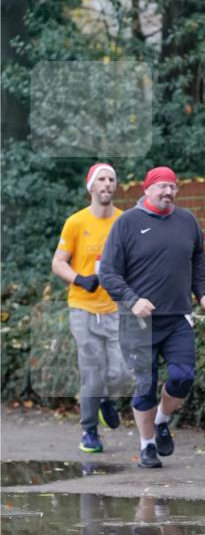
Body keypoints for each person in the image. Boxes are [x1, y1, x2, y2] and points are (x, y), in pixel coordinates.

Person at [99, 166, 205, 469]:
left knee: (183, 376)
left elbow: (198, 258)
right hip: (138, 322)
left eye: (173, 187)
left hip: (178, 317)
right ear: (146, 189)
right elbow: (109, 274)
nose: (168, 192)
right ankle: (147, 445)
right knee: (144, 386)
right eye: (162, 186)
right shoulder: (127, 223)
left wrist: (202, 293)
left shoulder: (187, 221)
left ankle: (162, 420)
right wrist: (132, 300)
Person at [52, 163, 125, 453]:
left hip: (115, 308)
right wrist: (80, 279)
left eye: (111, 179)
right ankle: (89, 432)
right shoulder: (75, 222)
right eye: (101, 180)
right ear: (91, 187)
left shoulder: (124, 221)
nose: (107, 184)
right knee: (92, 371)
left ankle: (105, 398)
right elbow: (58, 262)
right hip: (82, 306)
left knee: (121, 371)